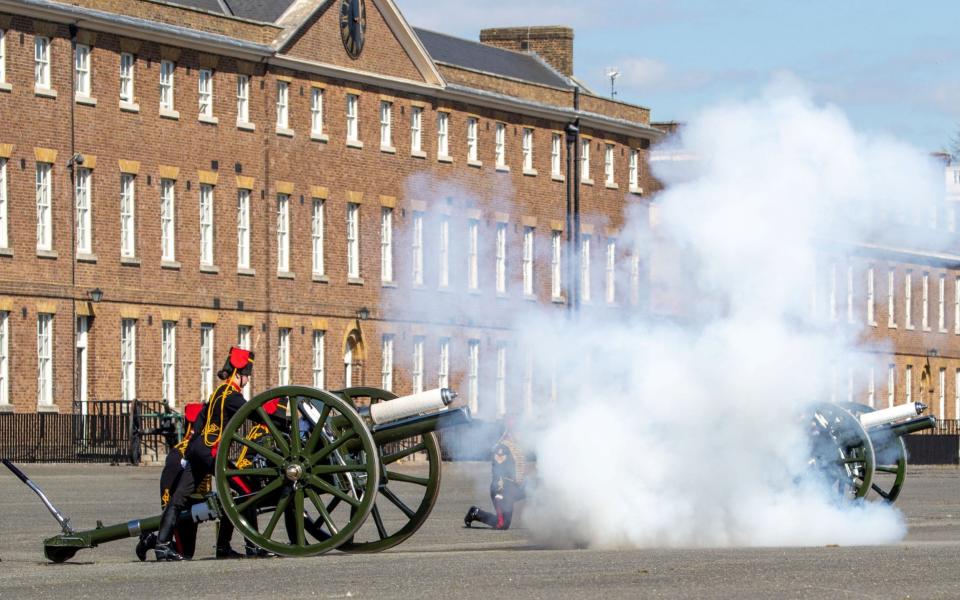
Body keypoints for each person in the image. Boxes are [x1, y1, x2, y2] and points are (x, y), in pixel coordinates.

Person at [152, 347, 265, 561]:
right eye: (247, 376)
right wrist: (283, 422)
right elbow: (257, 415)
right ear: (238, 375)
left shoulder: (217, 394)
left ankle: (161, 545)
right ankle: (253, 545)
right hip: (213, 453)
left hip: (198, 451)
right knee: (247, 491)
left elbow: (198, 424)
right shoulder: (231, 396)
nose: (248, 380)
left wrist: (190, 452)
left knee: (177, 499)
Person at [464, 416, 527, 530]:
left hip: (514, 489)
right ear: (511, 432)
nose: (521, 434)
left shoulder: (516, 447)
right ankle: (476, 513)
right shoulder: (501, 448)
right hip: (502, 489)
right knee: (502, 524)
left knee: (536, 489)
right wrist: (499, 492)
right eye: (518, 431)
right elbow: (498, 472)